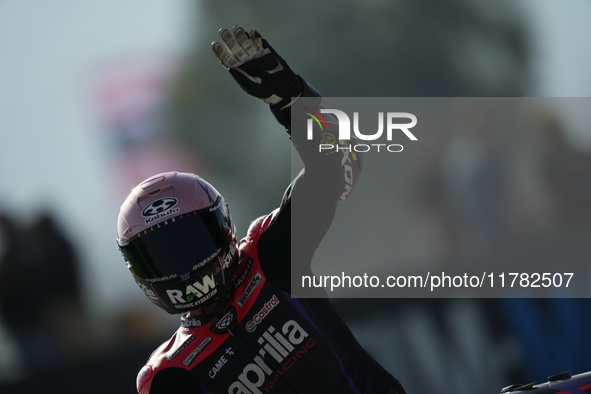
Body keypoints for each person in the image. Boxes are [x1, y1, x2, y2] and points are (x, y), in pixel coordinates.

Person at [117, 26, 405, 394]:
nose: (181, 265)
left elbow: (342, 167)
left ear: (221, 226)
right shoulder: (169, 375)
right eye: (160, 254)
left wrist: (293, 101)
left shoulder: (268, 255)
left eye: (189, 240)